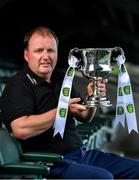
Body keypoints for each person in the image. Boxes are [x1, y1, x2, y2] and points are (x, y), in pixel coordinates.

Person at [1, 26, 139, 179]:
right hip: (52, 162)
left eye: (50, 51)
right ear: (27, 55)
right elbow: (21, 129)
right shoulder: (17, 85)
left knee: (136, 168)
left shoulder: (61, 80)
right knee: (103, 177)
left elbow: (85, 116)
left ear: (57, 54)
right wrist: (62, 110)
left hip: (83, 155)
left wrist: (91, 97)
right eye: (39, 51)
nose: (45, 56)